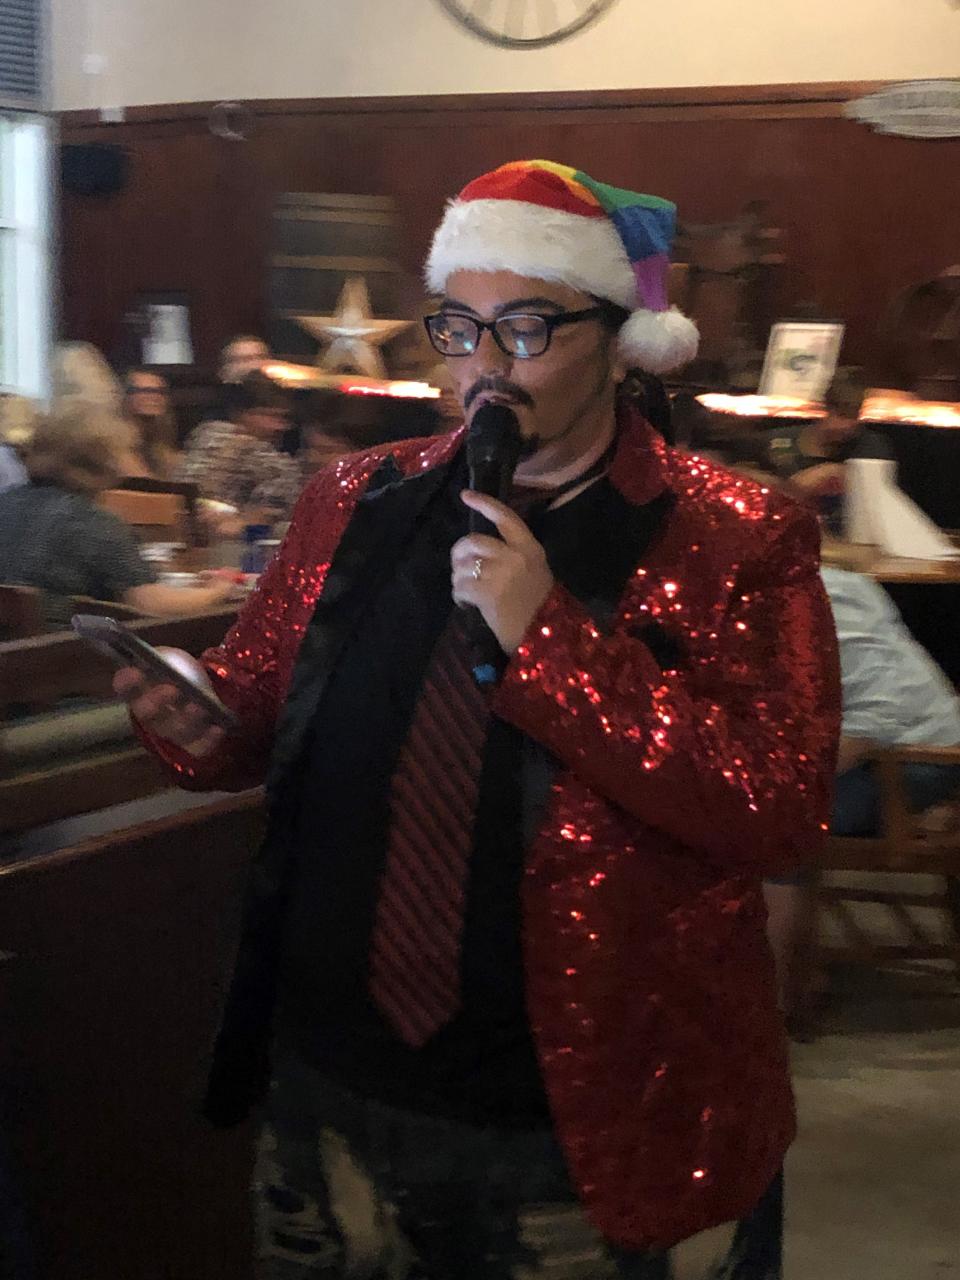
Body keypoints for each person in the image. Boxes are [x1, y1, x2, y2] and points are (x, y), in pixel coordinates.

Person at [115, 161, 840, 1279]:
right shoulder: (352, 499)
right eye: (459, 328)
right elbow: (260, 704)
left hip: (590, 1110)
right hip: (335, 1079)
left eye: (527, 326)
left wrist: (547, 632)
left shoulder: (738, 535)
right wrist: (198, 716)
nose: (484, 368)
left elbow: (779, 806)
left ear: (618, 336)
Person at [764, 564, 960, 1019]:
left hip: (911, 760)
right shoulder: (843, 582)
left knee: (773, 829)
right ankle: (785, 969)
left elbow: (875, 715)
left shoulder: (805, 599)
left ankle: (771, 999)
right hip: (928, 745)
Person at [0, 403, 237, 629]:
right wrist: (218, 591)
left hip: (14, 652)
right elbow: (152, 604)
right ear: (102, 461)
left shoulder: (6, 502)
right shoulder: (92, 522)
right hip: (64, 659)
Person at [758, 375, 893, 533]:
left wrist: (833, 471)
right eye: (841, 415)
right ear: (824, 409)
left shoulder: (870, 445)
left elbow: (876, 487)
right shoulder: (778, 440)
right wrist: (776, 484)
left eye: (854, 417)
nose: (848, 426)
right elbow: (744, 474)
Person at [176, 371, 304, 524]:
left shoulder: (205, 430)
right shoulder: (216, 436)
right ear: (240, 414)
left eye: (282, 418)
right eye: (268, 416)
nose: (279, 426)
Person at [121, 367, 181, 479]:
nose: (153, 397)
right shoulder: (115, 442)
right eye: (143, 391)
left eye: (159, 391)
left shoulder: (161, 444)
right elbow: (142, 482)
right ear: (126, 396)